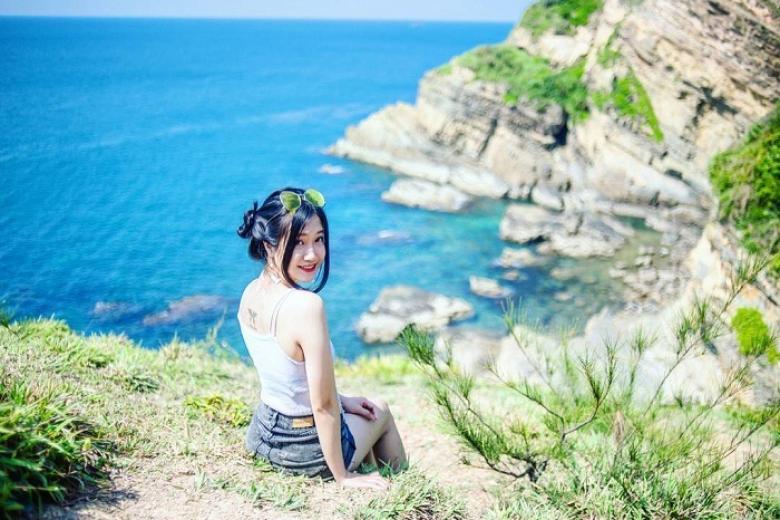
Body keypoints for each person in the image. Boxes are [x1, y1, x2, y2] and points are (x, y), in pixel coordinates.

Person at [236, 187, 406, 490]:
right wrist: (342, 476)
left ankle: (371, 470)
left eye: (319, 239)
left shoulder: (250, 293)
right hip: (303, 450)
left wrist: (344, 401)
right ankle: (403, 484)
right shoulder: (306, 307)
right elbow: (323, 406)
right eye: (298, 242)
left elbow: (288, 379)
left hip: (262, 435)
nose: (312, 254)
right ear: (269, 245)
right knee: (380, 410)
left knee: (361, 413)